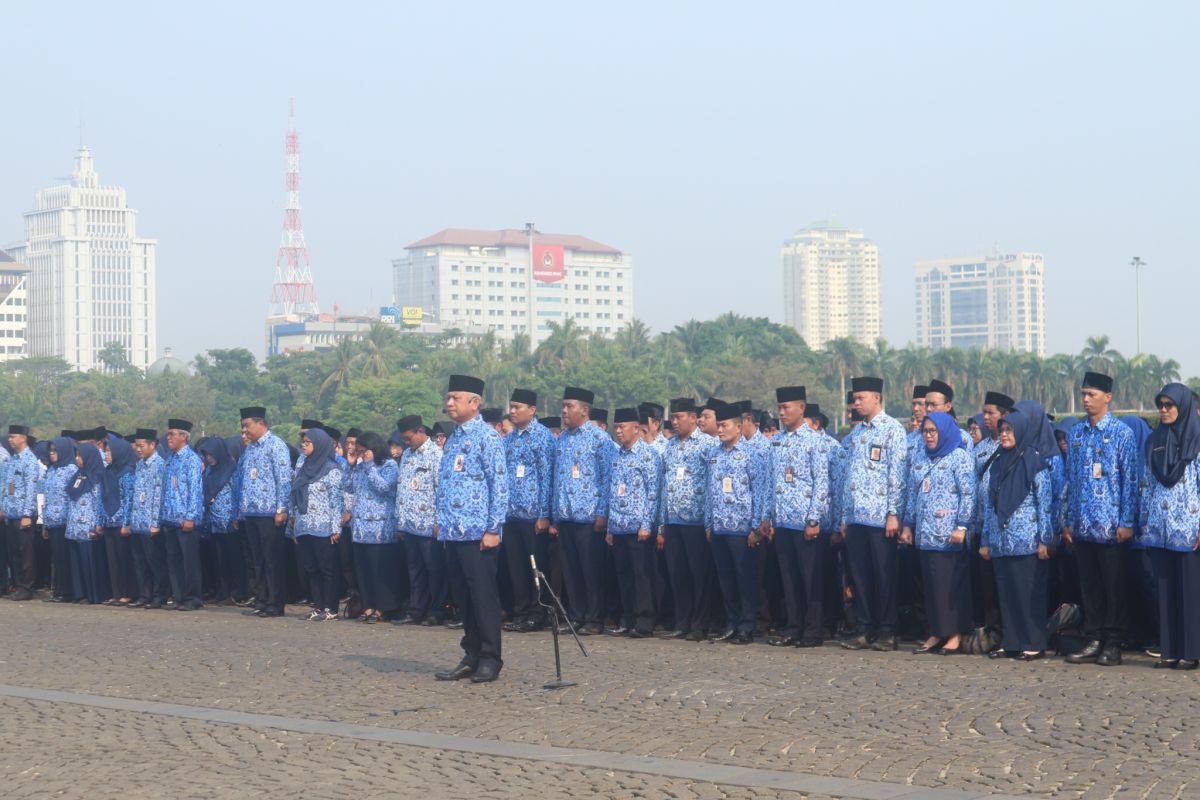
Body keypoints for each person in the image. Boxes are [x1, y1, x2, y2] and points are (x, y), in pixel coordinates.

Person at [434, 374, 508, 684]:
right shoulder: (453, 437)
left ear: (474, 403)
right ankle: (472, 653)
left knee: (482, 596)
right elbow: (447, 483)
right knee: (463, 596)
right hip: (453, 531)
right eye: (448, 397)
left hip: (479, 533)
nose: (449, 403)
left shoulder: (487, 437)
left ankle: (491, 657)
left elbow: (500, 485)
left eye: (456, 398)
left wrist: (494, 528)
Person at [1063, 372, 1137, 667]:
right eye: (1083, 394)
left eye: (1091, 394)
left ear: (1108, 397)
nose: (1085, 399)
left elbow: (1129, 480)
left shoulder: (1122, 433)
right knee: (1090, 587)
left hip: (1111, 526)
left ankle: (1113, 642)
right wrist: (1068, 519)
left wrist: (1127, 521)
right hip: (1083, 525)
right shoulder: (1076, 433)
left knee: (1113, 587)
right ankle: (1093, 637)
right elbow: (1070, 481)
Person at [977, 409, 1053, 661]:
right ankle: (1012, 641)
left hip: (1028, 541)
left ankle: (1033, 641)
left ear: (1021, 431)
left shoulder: (1035, 462)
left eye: (1009, 430)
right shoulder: (997, 462)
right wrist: (986, 541)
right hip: (1001, 541)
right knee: (1007, 594)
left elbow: (1045, 504)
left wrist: (1045, 539)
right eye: (1002, 430)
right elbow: (990, 505)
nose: (1004, 435)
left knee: (1027, 594)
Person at [839, 376, 908, 651]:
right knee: (860, 575)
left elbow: (897, 475)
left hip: (881, 518)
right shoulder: (856, 434)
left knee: (884, 575)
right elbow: (849, 478)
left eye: (861, 398)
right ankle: (863, 627)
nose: (856, 403)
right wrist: (845, 517)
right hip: (857, 517)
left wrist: (894, 513)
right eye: (855, 399)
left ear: (876, 398)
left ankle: (887, 630)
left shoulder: (893, 430)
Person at [902, 412, 974, 655]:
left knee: (950, 586)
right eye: (925, 431)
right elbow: (913, 493)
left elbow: (968, 493)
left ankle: (954, 634)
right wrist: (908, 525)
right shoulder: (921, 456)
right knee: (931, 586)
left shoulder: (959, 457)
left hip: (948, 534)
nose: (929, 436)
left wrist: (962, 526)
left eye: (933, 431)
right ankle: (936, 630)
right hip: (925, 533)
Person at [765, 386, 830, 648]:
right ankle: (794, 627)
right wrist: (767, 517)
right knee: (789, 578)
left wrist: (814, 519)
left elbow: (821, 483)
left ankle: (813, 630)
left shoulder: (814, 441)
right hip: (782, 521)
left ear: (801, 408)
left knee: (810, 579)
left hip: (805, 521)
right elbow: (770, 482)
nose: (782, 413)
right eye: (779, 408)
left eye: (786, 407)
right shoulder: (777, 441)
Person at [1142, 384, 1200, 669]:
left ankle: (1190, 651)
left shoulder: (1197, 440)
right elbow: (1146, 485)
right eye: (1160, 405)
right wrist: (1144, 523)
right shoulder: (1154, 441)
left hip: (1189, 529)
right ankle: (1169, 650)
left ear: (1184, 407)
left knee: (1189, 591)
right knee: (1164, 591)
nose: (1164, 410)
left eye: (1169, 405)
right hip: (1159, 528)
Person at [550, 386, 612, 635]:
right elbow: (557, 478)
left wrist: (602, 511)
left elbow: (608, 477)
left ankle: (594, 618)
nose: (564, 411)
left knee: (590, 569)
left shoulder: (600, 439)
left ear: (584, 410)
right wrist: (555, 514)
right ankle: (576, 615)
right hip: (566, 516)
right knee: (571, 570)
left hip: (589, 517)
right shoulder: (562, 439)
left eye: (569, 406)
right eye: (563, 406)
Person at [705, 402, 769, 644]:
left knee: (746, 579)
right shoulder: (714, 455)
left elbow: (760, 491)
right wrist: (708, 523)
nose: (720, 430)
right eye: (718, 425)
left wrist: (755, 527)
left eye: (724, 425)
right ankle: (732, 622)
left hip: (743, 530)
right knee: (726, 579)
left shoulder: (752, 454)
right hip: (720, 527)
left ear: (739, 426)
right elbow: (711, 492)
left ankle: (747, 625)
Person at [657, 397, 716, 641]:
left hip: (696, 520)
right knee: (678, 574)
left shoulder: (708, 445)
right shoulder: (669, 446)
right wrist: (661, 525)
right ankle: (682, 622)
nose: (675, 422)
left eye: (680, 417)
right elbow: (664, 485)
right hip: (672, 520)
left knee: (698, 575)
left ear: (693, 418)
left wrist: (710, 522)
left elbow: (713, 485)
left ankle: (700, 624)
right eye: (673, 418)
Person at [501, 390, 554, 632]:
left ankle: (538, 611)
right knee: (516, 566)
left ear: (532, 410)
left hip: (533, 515)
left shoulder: (542, 437)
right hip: (511, 514)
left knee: (535, 567)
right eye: (511, 407)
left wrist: (544, 514)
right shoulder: (510, 439)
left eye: (517, 407)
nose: (512, 411)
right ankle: (520, 612)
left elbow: (547, 477)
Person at [606, 408, 660, 638]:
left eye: (623, 427)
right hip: (619, 525)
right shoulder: (616, 456)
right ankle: (627, 618)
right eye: (616, 427)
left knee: (642, 575)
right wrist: (610, 527)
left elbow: (653, 493)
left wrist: (647, 524)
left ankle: (644, 621)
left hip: (639, 527)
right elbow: (612, 491)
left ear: (636, 429)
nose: (618, 431)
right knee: (624, 575)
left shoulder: (648, 455)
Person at [237, 406, 293, 619]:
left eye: (247, 425)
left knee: (272, 560)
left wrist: (281, 508)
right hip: (251, 512)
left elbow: (284, 479)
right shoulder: (250, 448)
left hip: (270, 512)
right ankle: (261, 599)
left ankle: (275, 602)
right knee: (257, 559)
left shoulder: (276, 445)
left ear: (261, 424)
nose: (245, 430)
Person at [394, 415, 445, 626]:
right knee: (414, 570)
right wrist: (400, 521)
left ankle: (437, 610)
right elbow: (402, 489)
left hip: (428, 523)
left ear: (420, 431)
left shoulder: (436, 455)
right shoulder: (406, 454)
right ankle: (416, 610)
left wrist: (438, 521)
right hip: (409, 523)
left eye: (408, 438)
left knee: (434, 570)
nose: (406, 442)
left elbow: (441, 490)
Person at [291, 427, 344, 621]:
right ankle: (318, 605)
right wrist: (294, 522)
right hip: (304, 525)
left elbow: (336, 501)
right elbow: (295, 495)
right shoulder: (303, 467)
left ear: (319, 444)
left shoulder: (332, 470)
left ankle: (331, 607)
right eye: (302, 443)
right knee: (311, 568)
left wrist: (335, 528)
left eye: (308, 442)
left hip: (323, 527)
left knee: (326, 568)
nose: (303, 446)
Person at [349, 431, 401, 623]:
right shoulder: (360, 466)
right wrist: (351, 465)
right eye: (360, 451)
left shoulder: (390, 465)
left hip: (381, 527)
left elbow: (384, 488)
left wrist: (370, 466)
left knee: (381, 569)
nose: (362, 454)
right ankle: (369, 604)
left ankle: (383, 607)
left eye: (364, 451)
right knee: (364, 570)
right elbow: (347, 486)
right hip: (361, 526)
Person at [161, 419, 204, 611]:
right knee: (174, 560)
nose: (168, 438)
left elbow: (195, 490)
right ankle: (179, 597)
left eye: (172, 434)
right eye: (168, 434)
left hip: (185, 519)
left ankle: (192, 598)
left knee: (189, 561)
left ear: (184, 437)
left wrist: (191, 516)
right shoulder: (169, 459)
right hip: (170, 518)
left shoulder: (192, 460)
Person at [199, 436, 245, 605]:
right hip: (213, 521)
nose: (208, 458)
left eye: (210, 454)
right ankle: (220, 591)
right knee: (217, 559)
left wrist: (236, 516)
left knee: (232, 558)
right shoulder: (210, 471)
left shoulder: (232, 469)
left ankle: (236, 593)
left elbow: (237, 493)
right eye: (206, 455)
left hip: (229, 521)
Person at [127, 429, 169, 609]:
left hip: (151, 524)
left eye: (141, 446)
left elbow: (158, 496)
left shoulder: (160, 465)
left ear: (153, 445)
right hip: (137, 521)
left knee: (155, 561)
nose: (138, 449)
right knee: (140, 562)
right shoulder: (139, 465)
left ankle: (160, 595)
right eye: (136, 446)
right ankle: (145, 594)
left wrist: (155, 523)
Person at [2, 424, 40, 601]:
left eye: (13, 436)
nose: (10, 440)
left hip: (23, 515)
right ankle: (18, 585)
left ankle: (27, 587)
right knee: (15, 552)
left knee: (26, 553)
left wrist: (26, 514)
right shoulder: (13, 460)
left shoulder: (29, 461)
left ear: (23, 438)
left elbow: (31, 490)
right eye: (9, 437)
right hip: (11, 513)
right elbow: (6, 487)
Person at [66, 443, 107, 604]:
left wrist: (97, 524)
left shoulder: (97, 477)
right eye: (75, 456)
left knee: (91, 563)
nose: (77, 459)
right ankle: (80, 593)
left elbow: (99, 503)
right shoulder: (77, 475)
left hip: (89, 527)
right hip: (75, 527)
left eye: (80, 456)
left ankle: (94, 595)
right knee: (77, 563)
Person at [39, 436, 78, 602]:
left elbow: (72, 497)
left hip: (65, 521)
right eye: (51, 450)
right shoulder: (52, 470)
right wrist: (45, 524)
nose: (52, 453)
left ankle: (67, 592)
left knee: (65, 558)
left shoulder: (71, 470)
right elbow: (47, 497)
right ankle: (59, 590)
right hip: (52, 521)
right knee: (56, 558)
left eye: (55, 450)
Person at [100, 437, 137, 606]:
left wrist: (126, 523)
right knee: (112, 560)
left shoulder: (127, 473)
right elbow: (103, 498)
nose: (107, 454)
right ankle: (115, 592)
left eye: (109, 451)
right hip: (108, 520)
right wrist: (100, 520)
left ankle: (128, 592)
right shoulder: (107, 472)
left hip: (122, 522)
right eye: (106, 451)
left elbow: (130, 499)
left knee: (124, 559)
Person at [976, 392, 1015, 477]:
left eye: (990, 413)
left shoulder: (1013, 445)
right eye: (984, 413)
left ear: (1005, 415)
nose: (985, 417)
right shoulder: (979, 447)